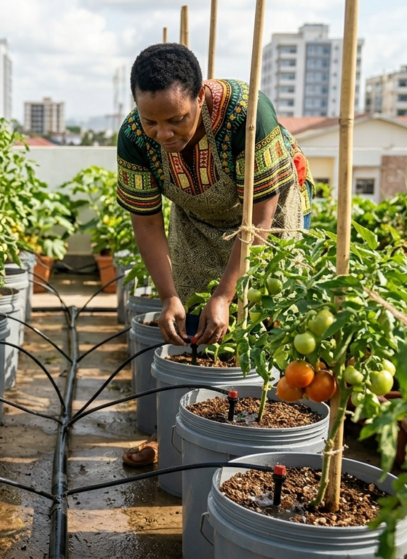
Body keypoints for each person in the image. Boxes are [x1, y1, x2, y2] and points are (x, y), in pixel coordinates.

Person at [118, 43, 313, 467]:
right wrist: (168, 296)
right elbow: (146, 223)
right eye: (151, 121)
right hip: (197, 214)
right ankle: (176, 429)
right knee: (192, 312)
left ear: (200, 97)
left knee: (266, 308)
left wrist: (225, 294)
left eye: (177, 119)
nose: (163, 134)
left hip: (268, 210)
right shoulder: (133, 138)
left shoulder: (245, 115)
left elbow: (259, 218)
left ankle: (262, 430)